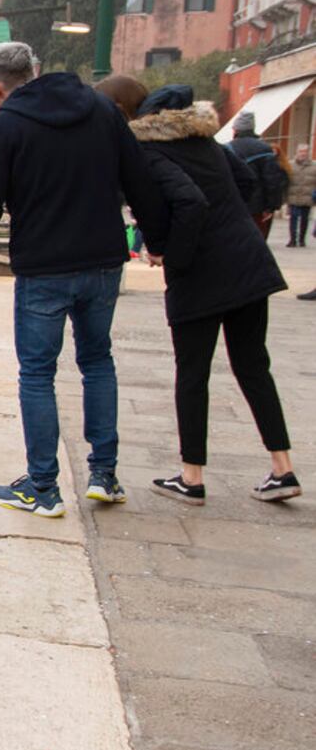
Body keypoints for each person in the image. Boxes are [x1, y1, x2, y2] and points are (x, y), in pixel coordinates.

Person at [0, 42, 167, 518]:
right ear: (35, 70)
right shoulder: (102, 109)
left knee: (37, 374)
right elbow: (139, 177)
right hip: (104, 260)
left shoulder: (3, 127)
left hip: (43, 266)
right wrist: (158, 239)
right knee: (97, 361)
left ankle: (43, 487)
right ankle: (104, 475)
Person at [120, 82, 301, 504]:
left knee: (193, 373)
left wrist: (170, 255)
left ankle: (192, 476)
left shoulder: (152, 152)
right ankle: (283, 468)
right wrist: (231, 223)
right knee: (254, 368)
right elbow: (246, 182)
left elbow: (190, 202)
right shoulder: (212, 146)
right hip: (249, 263)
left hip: (201, 272)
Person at [228, 110, 287, 240]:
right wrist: (271, 206)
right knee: (257, 242)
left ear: (236, 130)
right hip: (258, 207)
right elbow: (272, 180)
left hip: (235, 206)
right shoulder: (264, 149)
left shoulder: (228, 148)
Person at [286, 143, 316, 247]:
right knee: (293, 218)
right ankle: (292, 240)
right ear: (297, 152)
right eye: (301, 151)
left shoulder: (314, 166)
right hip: (293, 196)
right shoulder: (290, 164)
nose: (302, 154)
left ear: (308, 153)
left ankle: (302, 239)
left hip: (307, 197)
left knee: (304, 219)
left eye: (305, 152)